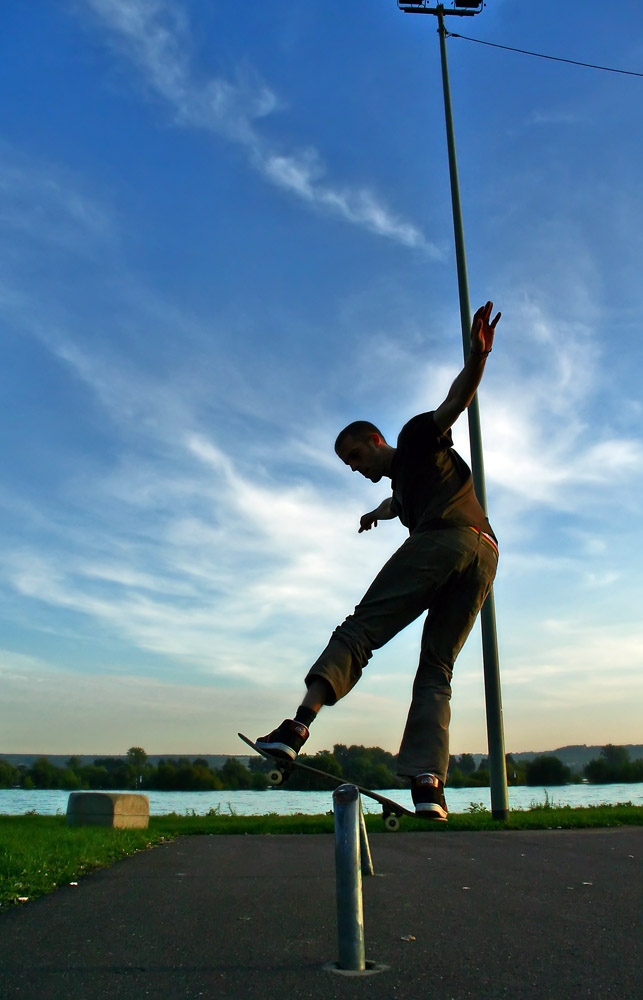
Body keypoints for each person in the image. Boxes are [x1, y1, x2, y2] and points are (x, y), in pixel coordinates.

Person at [256, 301, 501, 820]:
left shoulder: (415, 437)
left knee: (360, 631)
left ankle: (296, 728)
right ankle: (428, 783)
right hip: (485, 553)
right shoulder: (406, 485)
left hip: (445, 541)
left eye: (356, 458)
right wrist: (377, 513)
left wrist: (477, 359)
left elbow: (454, 402)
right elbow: (399, 501)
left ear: (375, 441)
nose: (354, 468)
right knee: (437, 667)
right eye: (348, 465)